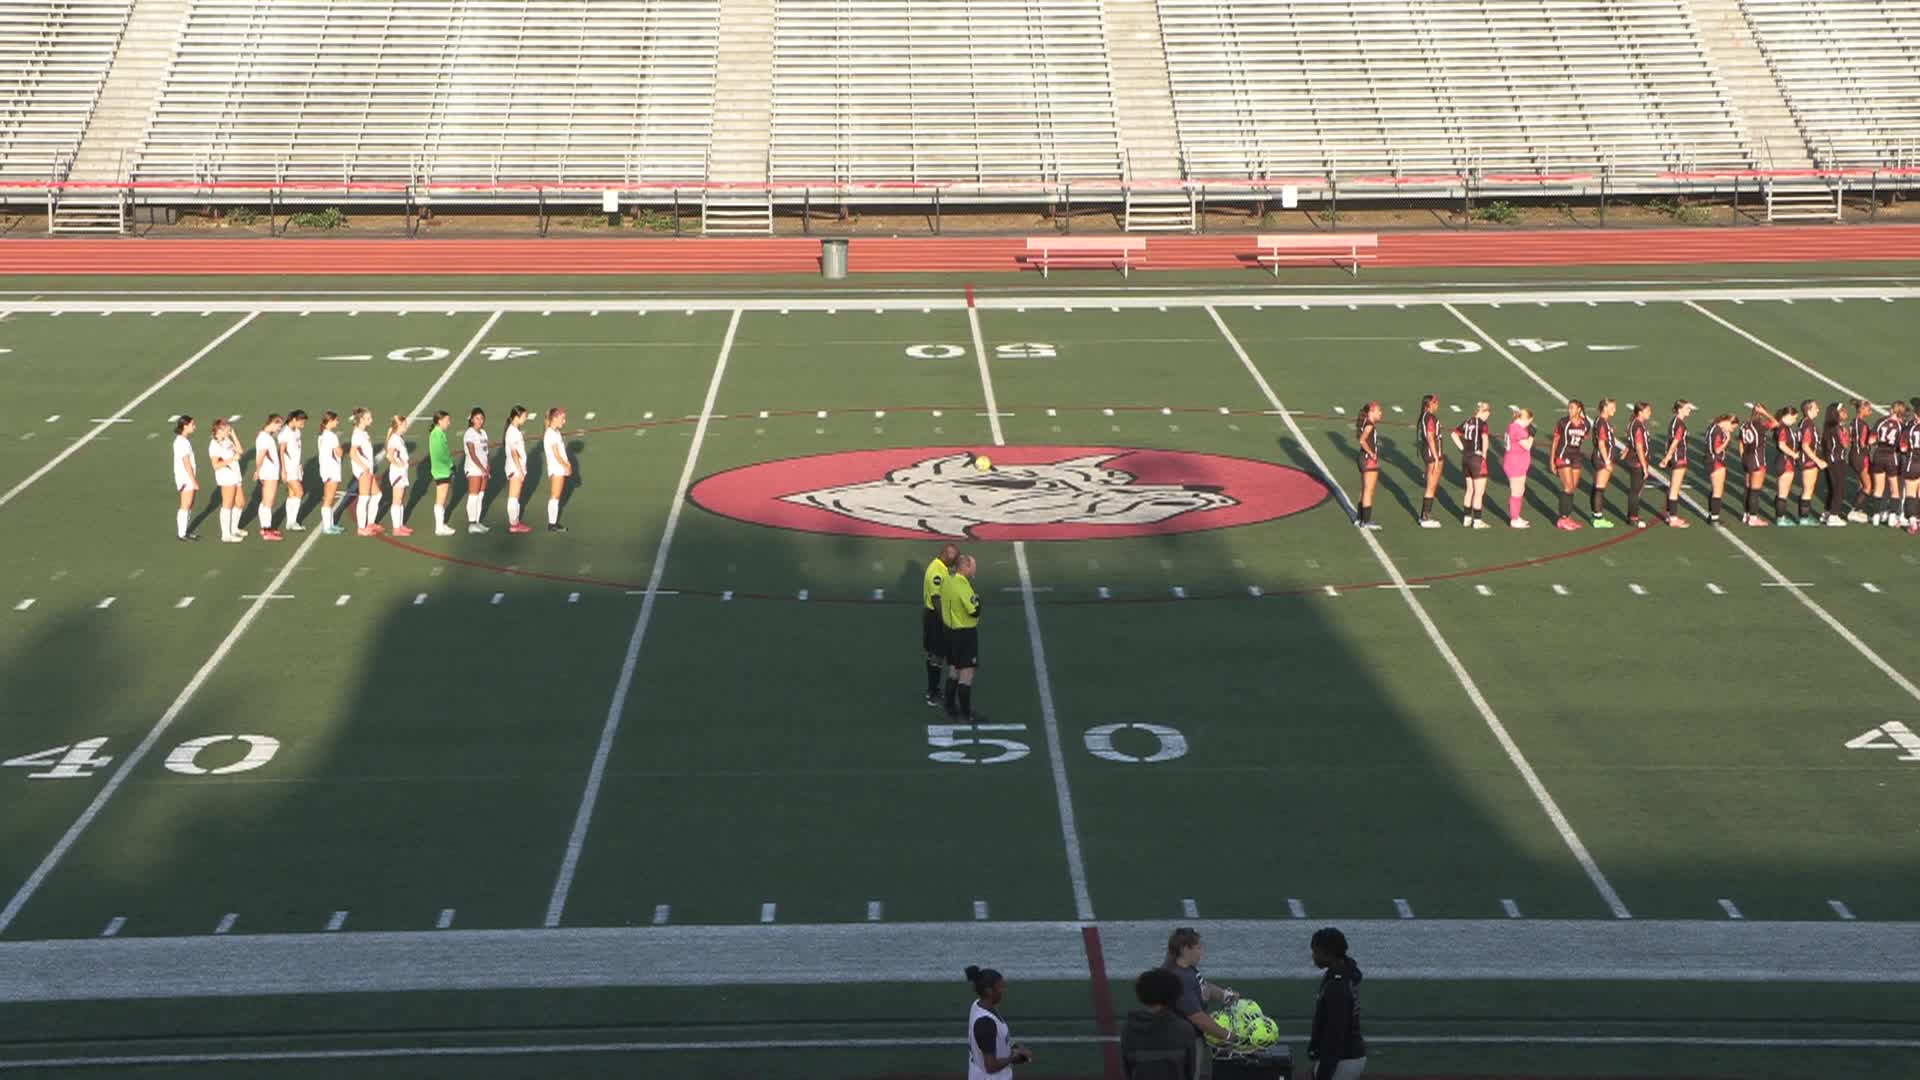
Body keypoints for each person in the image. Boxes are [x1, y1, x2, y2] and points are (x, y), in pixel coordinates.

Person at [1306, 928, 1367, 1080]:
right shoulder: (1343, 972)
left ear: (1327, 953)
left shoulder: (1336, 985)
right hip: (1348, 1056)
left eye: (1315, 951)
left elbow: (1335, 1033)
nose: (1313, 956)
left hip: (1343, 1060)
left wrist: (1324, 1072)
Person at [1162, 928, 1238, 1048]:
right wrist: (1228, 1036)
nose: (1201, 952)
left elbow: (1201, 985)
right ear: (1185, 949)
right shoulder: (1180, 978)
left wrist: (1225, 995)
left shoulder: (1185, 967)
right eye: (1198, 948)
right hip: (1181, 1044)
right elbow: (1198, 1018)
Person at [1122, 968, 1198, 1080]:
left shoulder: (1128, 1029)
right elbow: (1189, 1072)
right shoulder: (1184, 1029)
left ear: (1141, 995)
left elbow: (1127, 1071)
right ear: (1174, 995)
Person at [964, 965, 1031, 1080]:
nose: (1003, 990)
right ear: (989, 991)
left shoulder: (979, 1005)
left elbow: (995, 1039)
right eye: (1000, 987)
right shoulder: (986, 1023)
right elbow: (990, 1066)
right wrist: (1014, 1058)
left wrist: (1014, 1046)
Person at [941, 553, 983, 721]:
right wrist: (978, 600)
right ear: (965, 567)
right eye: (973, 565)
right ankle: (966, 714)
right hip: (965, 634)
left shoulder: (948, 581)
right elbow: (974, 609)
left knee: (953, 671)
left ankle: (950, 707)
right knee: (966, 674)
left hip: (949, 632)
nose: (974, 568)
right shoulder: (962, 586)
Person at [923, 543, 959, 707]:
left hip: (934, 617)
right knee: (937, 656)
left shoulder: (940, 568)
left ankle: (933, 690)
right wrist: (947, 620)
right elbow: (936, 599)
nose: (955, 563)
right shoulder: (936, 572)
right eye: (955, 559)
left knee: (935, 655)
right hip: (936, 618)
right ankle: (932, 692)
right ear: (948, 556)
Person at [1549, 399, 1589, 530]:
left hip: (1576, 457)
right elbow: (1555, 441)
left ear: (1579, 410)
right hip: (1563, 455)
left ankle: (1568, 516)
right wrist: (1552, 460)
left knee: (1573, 488)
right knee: (1568, 486)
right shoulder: (1563, 422)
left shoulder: (1586, 424)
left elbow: (1584, 437)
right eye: (1569, 408)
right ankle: (1562, 518)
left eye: (1572, 408)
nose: (1569, 410)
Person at [1450, 401, 1490, 529]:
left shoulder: (1467, 421)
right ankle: (1477, 521)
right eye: (1488, 414)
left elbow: (1453, 434)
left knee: (1469, 490)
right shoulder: (1482, 424)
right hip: (1476, 458)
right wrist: (1484, 455)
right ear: (1484, 412)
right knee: (1479, 492)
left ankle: (1466, 518)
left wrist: (1462, 448)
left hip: (1466, 458)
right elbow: (1484, 439)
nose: (1488, 416)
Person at [1654, 400, 1693, 528]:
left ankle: (1669, 513)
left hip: (1674, 457)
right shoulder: (1680, 424)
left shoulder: (1673, 422)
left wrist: (1667, 457)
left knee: (1672, 487)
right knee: (1675, 490)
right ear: (1680, 409)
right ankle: (1673, 518)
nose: (1689, 410)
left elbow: (1669, 441)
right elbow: (1675, 442)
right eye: (1687, 408)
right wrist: (1667, 457)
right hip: (1678, 458)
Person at [1868, 401, 1905, 526]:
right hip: (1891, 457)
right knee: (1894, 489)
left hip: (1878, 455)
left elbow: (1871, 440)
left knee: (1878, 489)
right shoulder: (1901, 426)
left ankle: (1876, 516)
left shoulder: (1880, 421)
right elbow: (1903, 447)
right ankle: (1892, 517)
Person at [208, 418, 245, 544]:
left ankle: (234, 528)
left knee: (240, 502)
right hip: (226, 477)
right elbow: (215, 465)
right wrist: (232, 459)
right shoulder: (214, 445)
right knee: (227, 504)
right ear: (220, 430)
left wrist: (233, 435)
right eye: (227, 429)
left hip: (235, 474)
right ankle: (226, 534)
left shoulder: (226, 439)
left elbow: (240, 450)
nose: (229, 430)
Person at [1739, 405, 1775, 527]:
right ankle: (1753, 518)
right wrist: (1765, 412)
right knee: (1754, 491)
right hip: (1757, 460)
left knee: (1748, 488)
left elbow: (1740, 443)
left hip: (1746, 458)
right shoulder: (1760, 426)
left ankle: (1746, 515)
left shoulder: (1744, 425)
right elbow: (1775, 423)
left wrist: (1742, 457)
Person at [349, 407, 382, 537]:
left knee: (377, 495)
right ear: (361, 419)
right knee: (364, 498)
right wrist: (363, 467)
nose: (371, 420)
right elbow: (352, 453)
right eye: (369, 418)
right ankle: (361, 528)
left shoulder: (363, 432)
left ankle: (370, 523)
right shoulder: (357, 434)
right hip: (363, 471)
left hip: (368, 469)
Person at [1768, 404, 1803, 526]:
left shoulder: (1784, 427)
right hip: (1785, 462)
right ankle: (1780, 518)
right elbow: (1782, 445)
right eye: (1794, 417)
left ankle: (1780, 517)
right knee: (1783, 493)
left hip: (1784, 461)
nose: (1795, 420)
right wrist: (1794, 455)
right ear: (1787, 416)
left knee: (1782, 492)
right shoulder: (1783, 428)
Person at [251, 413, 284, 542]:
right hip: (269, 473)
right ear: (272, 423)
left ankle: (265, 527)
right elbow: (261, 455)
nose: (278, 429)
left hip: (269, 472)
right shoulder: (265, 438)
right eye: (278, 426)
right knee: (268, 502)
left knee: (266, 501)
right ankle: (266, 530)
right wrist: (257, 470)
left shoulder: (264, 436)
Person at [1795, 399, 1826, 526]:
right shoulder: (1808, 425)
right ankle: (1803, 517)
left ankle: (1803, 516)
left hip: (1807, 460)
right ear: (1808, 410)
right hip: (1808, 461)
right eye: (1815, 408)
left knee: (1808, 489)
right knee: (1808, 490)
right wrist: (1818, 460)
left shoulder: (1805, 423)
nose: (1818, 410)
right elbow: (1805, 446)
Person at [1587, 398, 1617, 529]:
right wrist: (1607, 461)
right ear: (1604, 407)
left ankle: (1595, 515)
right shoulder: (1602, 423)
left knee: (1596, 487)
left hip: (1599, 457)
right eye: (1612, 406)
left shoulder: (1603, 422)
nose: (1614, 409)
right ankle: (1598, 517)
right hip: (1602, 458)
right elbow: (1601, 444)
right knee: (1600, 488)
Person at [1621, 402, 1652, 529]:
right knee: (1635, 491)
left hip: (1634, 460)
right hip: (1637, 462)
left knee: (1636, 490)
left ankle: (1632, 515)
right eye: (1647, 411)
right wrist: (1644, 466)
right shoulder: (1638, 426)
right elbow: (1639, 447)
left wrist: (1626, 450)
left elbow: (1631, 442)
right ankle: (1633, 518)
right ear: (1640, 412)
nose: (1650, 413)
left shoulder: (1635, 423)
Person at [1502, 407, 1534, 529]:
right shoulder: (1517, 429)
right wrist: (1531, 436)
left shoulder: (1512, 426)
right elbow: (1527, 446)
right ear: (1526, 419)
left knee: (1520, 490)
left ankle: (1516, 516)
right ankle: (1514, 519)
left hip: (1517, 463)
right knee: (1516, 492)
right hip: (1515, 464)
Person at [1415, 394, 1442, 528]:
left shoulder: (1425, 416)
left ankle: (1425, 516)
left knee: (1431, 486)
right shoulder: (1429, 417)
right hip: (1432, 454)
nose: (1437, 404)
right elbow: (1430, 437)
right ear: (1428, 404)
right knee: (1431, 487)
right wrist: (1436, 457)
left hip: (1429, 454)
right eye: (1435, 402)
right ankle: (1425, 517)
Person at [503, 404, 532, 534]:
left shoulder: (514, 430)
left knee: (515, 497)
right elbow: (514, 453)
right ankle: (514, 524)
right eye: (524, 416)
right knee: (513, 497)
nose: (526, 419)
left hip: (515, 467)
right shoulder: (513, 432)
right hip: (515, 468)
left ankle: (515, 522)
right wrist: (520, 470)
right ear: (516, 417)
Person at [1821, 402, 1850, 527]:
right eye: (1842, 410)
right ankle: (1834, 515)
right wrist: (1847, 433)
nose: (1845, 412)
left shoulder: (1828, 427)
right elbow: (1845, 444)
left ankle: (1827, 512)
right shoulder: (1837, 428)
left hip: (1830, 459)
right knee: (1839, 488)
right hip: (1837, 460)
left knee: (1832, 488)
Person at [384, 414, 414, 537]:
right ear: (399, 425)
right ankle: (396, 528)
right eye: (405, 423)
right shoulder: (394, 439)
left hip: (402, 472)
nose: (407, 425)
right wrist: (398, 464)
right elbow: (389, 455)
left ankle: (400, 525)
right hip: (397, 473)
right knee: (397, 500)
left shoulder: (399, 438)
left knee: (400, 499)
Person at [315, 411, 344, 535]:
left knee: (329, 498)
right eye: (336, 420)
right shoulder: (331, 436)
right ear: (330, 421)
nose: (337, 422)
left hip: (325, 469)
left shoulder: (321, 436)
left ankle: (330, 524)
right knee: (329, 499)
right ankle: (328, 526)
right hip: (332, 469)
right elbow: (339, 453)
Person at [1704, 413, 1736, 526]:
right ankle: (1714, 518)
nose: (1732, 430)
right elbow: (1717, 450)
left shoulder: (1712, 427)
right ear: (1727, 422)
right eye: (1732, 427)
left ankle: (1711, 515)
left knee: (1714, 489)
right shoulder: (1717, 431)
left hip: (1710, 460)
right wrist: (1727, 440)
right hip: (1716, 462)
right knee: (1718, 491)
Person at [542, 406, 571, 533]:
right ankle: (552, 524)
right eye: (562, 419)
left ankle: (552, 523)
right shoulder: (550, 433)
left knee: (556, 496)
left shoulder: (555, 432)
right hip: (556, 467)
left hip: (559, 467)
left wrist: (567, 463)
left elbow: (561, 451)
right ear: (554, 419)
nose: (564, 421)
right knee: (555, 496)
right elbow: (555, 453)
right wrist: (566, 466)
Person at [1845, 399, 1875, 522]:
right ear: (1862, 409)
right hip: (1861, 457)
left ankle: (1860, 510)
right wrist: (1874, 441)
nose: (1871, 412)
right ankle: (1854, 510)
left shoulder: (1852, 422)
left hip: (1852, 455)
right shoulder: (1863, 425)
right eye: (1868, 409)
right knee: (1868, 486)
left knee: (1861, 484)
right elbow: (1863, 443)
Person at [1354, 402, 1381, 530]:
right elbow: (1362, 440)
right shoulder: (1369, 424)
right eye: (1378, 411)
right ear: (1371, 412)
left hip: (1362, 459)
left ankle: (1359, 517)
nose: (1380, 413)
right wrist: (1371, 453)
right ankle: (1366, 521)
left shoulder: (1364, 422)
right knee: (1369, 491)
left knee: (1365, 489)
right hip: (1368, 460)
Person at [462, 406, 490, 533]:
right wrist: (481, 468)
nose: (479, 421)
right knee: (473, 495)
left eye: (481, 418)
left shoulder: (483, 433)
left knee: (481, 494)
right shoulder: (469, 433)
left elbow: (486, 452)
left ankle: (477, 521)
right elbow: (472, 454)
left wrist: (487, 466)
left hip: (483, 468)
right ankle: (472, 523)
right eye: (477, 418)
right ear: (472, 419)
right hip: (473, 468)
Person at [171, 415, 199, 542]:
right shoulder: (181, 442)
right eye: (192, 424)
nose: (194, 427)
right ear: (185, 426)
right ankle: (181, 533)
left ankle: (185, 531)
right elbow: (186, 462)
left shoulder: (183, 441)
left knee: (189, 504)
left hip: (187, 477)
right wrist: (193, 481)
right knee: (185, 504)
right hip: (185, 477)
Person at [428, 410, 455, 536]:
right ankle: (439, 527)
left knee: (442, 498)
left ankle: (441, 524)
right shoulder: (437, 434)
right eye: (446, 420)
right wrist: (450, 465)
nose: (448, 423)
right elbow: (440, 453)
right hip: (441, 470)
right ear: (439, 421)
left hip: (441, 469)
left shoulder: (438, 433)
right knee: (441, 499)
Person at [279, 409, 307, 531]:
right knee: (299, 492)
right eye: (301, 422)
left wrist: (299, 463)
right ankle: (292, 521)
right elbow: (281, 451)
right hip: (289, 468)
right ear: (294, 420)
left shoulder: (297, 432)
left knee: (292, 494)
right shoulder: (285, 433)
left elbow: (296, 450)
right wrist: (283, 470)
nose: (303, 424)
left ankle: (290, 522)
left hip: (295, 467)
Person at [1904, 397, 1920, 535]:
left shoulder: (1910, 427)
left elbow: (1903, 447)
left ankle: (1913, 523)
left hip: (1912, 462)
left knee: (1910, 493)